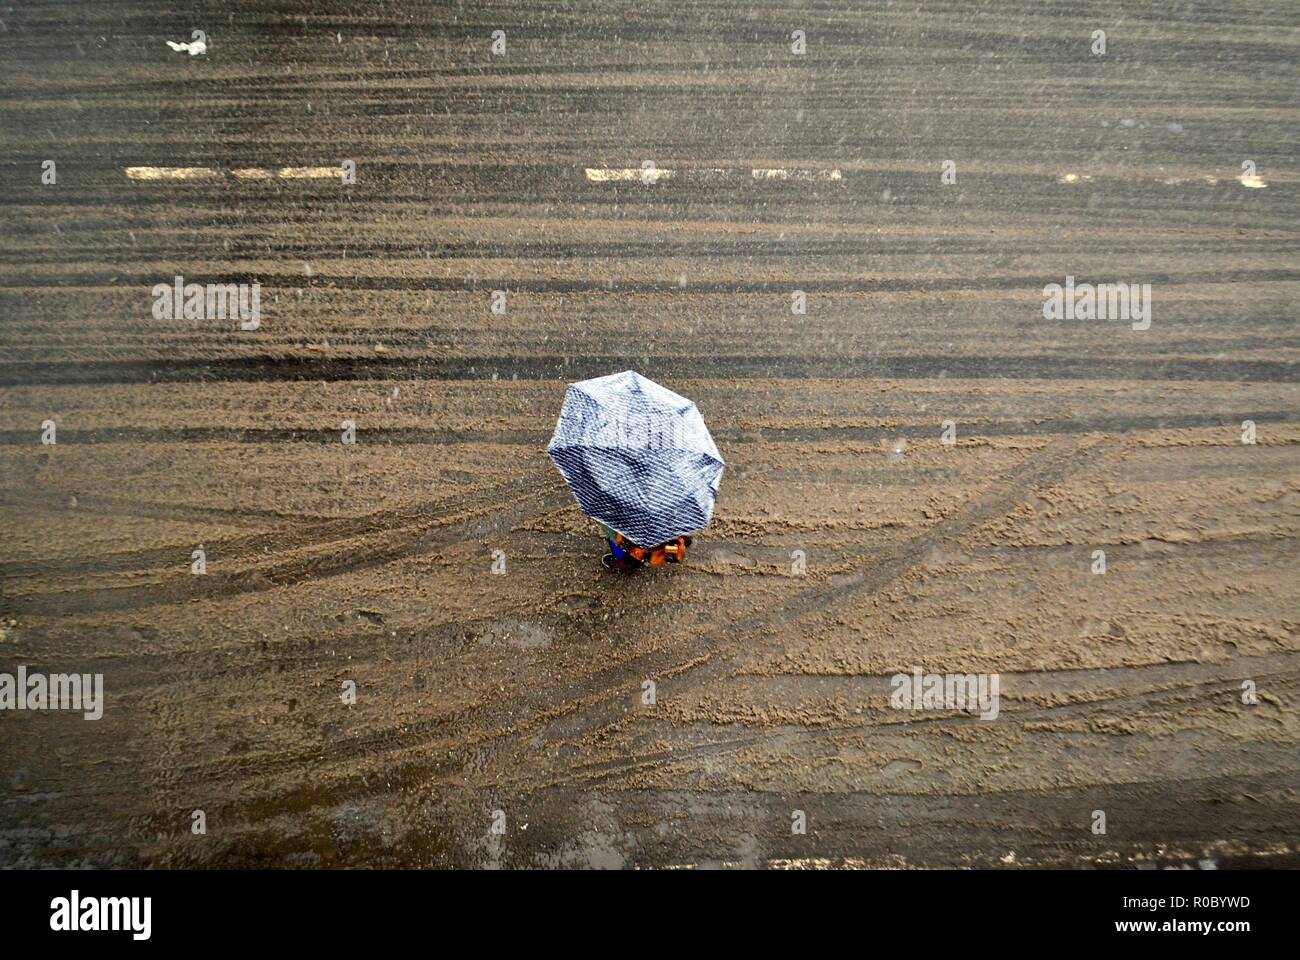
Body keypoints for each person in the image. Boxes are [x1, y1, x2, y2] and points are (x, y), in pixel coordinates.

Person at [596, 522, 692, 572]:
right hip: (661, 547)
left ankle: (624, 562)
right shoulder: (673, 511)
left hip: (634, 546)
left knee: (616, 539)